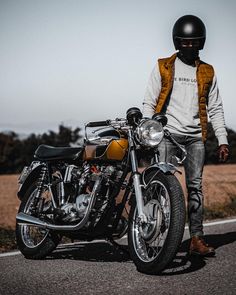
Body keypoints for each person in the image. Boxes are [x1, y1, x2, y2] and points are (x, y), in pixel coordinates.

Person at [142, 15, 229, 256]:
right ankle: (153, 235)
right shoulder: (164, 66)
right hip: (167, 136)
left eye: (194, 42)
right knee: (159, 185)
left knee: (195, 188)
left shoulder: (207, 72)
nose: (189, 46)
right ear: (176, 42)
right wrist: (149, 133)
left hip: (194, 138)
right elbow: (149, 103)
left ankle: (196, 240)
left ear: (201, 43)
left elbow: (216, 108)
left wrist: (222, 139)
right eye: (184, 42)